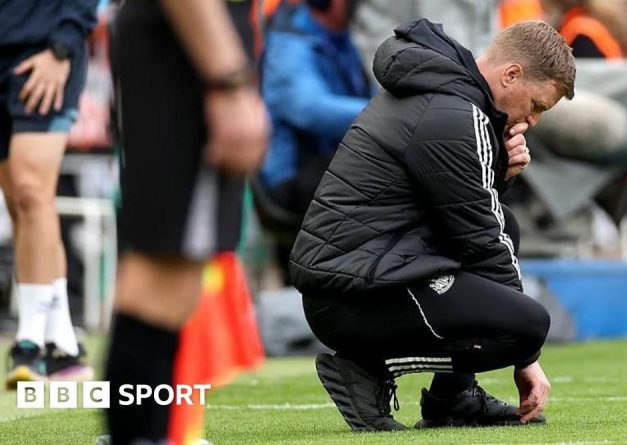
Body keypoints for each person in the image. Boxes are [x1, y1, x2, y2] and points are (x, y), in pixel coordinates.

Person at [291, 19, 575, 431]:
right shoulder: (455, 112)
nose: (532, 120)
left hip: (359, 281)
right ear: (511, 75)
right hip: (352, 296)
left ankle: (454, 397)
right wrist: (526, 354)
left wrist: (500, 174)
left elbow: (459, 212)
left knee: (507, 228)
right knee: (526, 327)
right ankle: (365, 367)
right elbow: (479, 237)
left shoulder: (444, 95)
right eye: (536, 105)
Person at [106, 0, 268, 443]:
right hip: (190, 49)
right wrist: (228, 82)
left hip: (189, 45)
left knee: (170, 282)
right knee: (163, 279)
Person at [0, 0, 98, 388]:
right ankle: (63, 346)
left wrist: (63, 45)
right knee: (20, 202)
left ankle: (29, 344)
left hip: (44, 50)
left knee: (30, 189)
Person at [258, 0, 372, 284]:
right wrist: (384, 115)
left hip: (330, 164)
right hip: (293, 177)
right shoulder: (290, 41)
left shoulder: (342, 38)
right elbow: (309, 108)